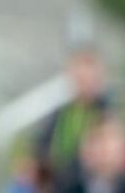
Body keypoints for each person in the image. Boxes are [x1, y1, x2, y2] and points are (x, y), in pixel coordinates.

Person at [34, 47, 112, 190]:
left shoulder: (104, 112)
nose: (83, 84)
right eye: (79, 79)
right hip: (57, 178)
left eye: (88, 79)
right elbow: (42, 143)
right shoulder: (62, 110)